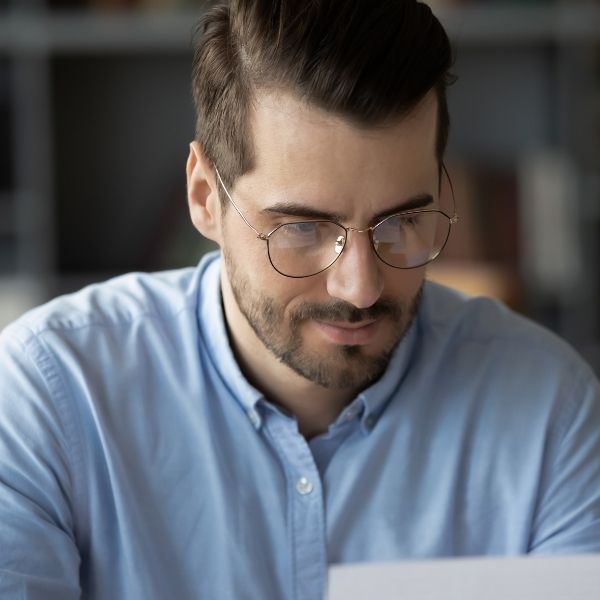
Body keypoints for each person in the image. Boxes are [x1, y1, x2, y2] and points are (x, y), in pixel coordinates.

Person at [1, 0, 599, 598]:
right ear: (206, 196)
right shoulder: (51, 399)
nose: (360, 287)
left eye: (400, 222)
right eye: (302, 229)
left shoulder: (552, 413)